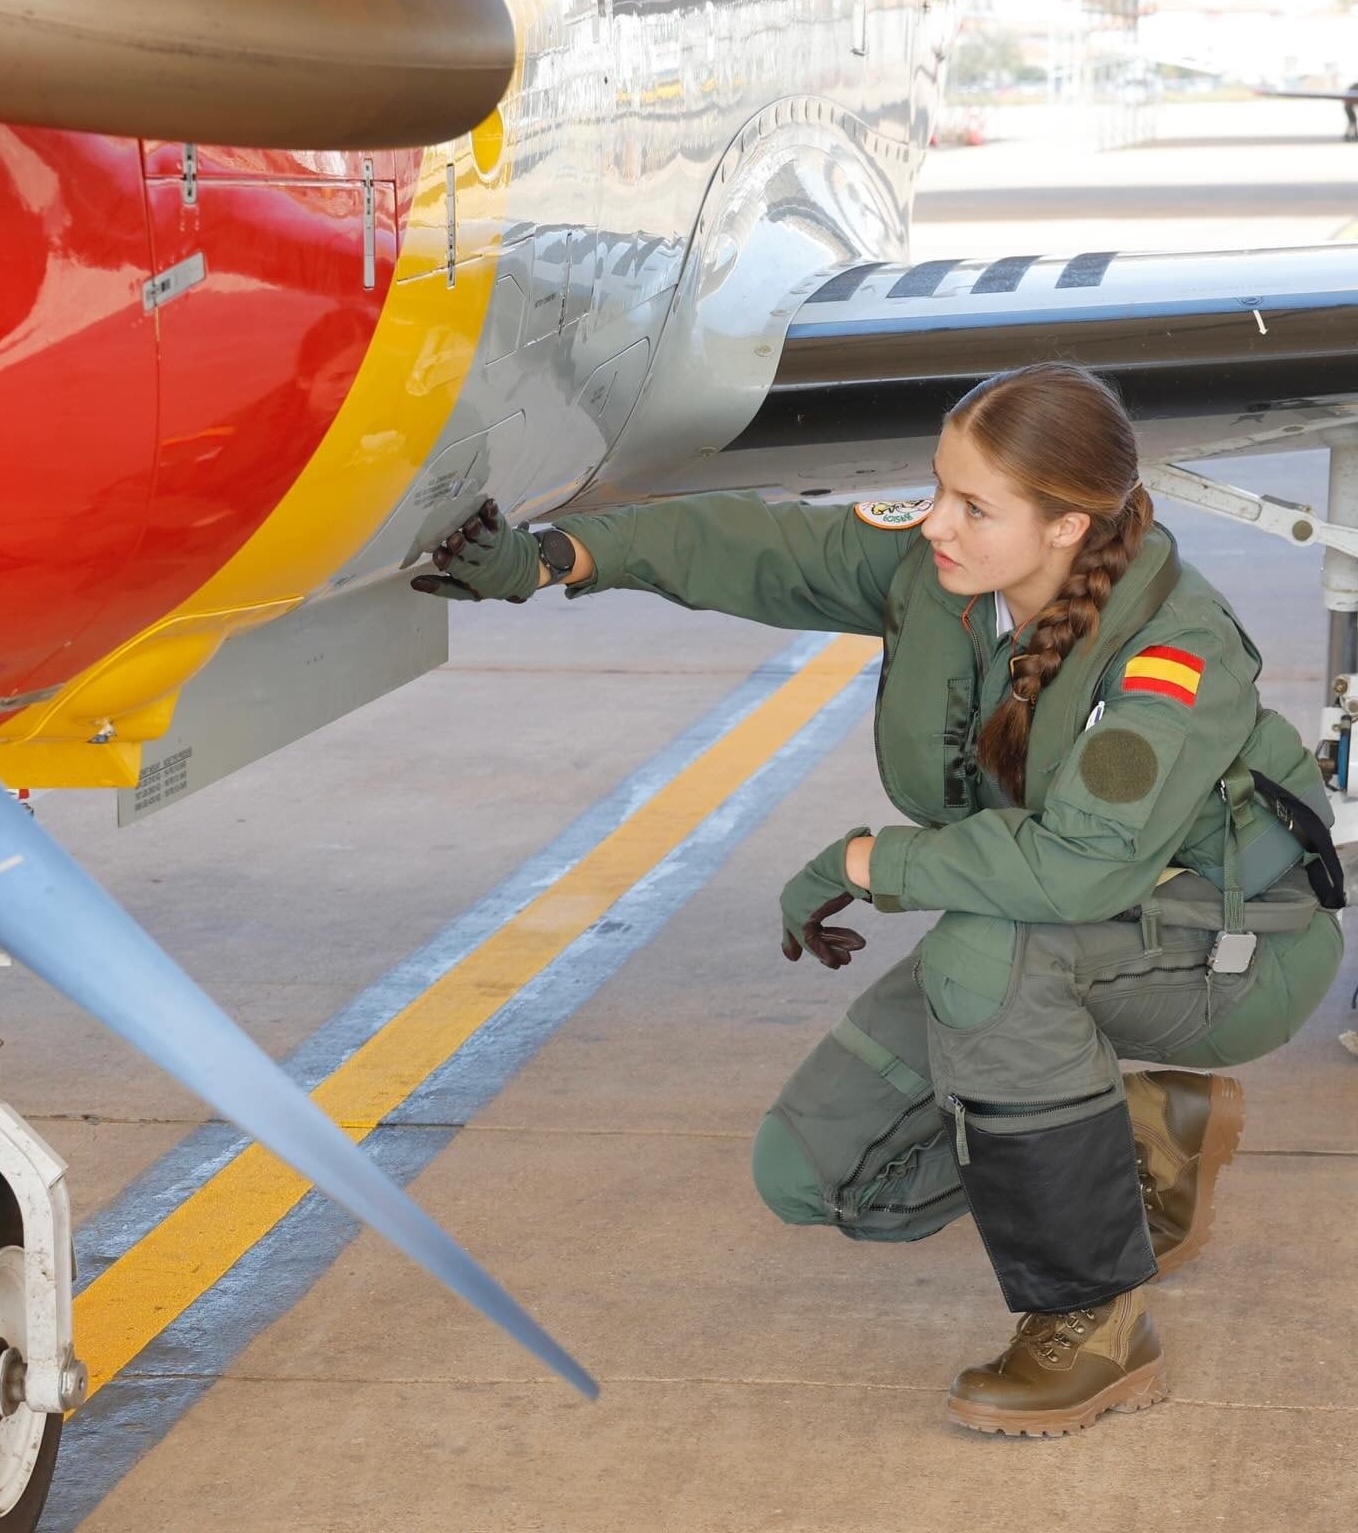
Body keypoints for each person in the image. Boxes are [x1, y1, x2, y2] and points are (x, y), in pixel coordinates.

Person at [412, 362, 1345, 1438]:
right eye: (938, 487)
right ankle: (1144, 1133)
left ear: (1066, 527)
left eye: (972, 505)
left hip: (1232, 955)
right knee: (822, 1177)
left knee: (987, 959)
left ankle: (1093, 1323)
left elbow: (1076, 870)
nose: (936, 522)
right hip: (1077, 924)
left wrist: (866, 862)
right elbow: (760, 545)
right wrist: (558, 557)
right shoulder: (948, 571)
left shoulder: (1176, 655)